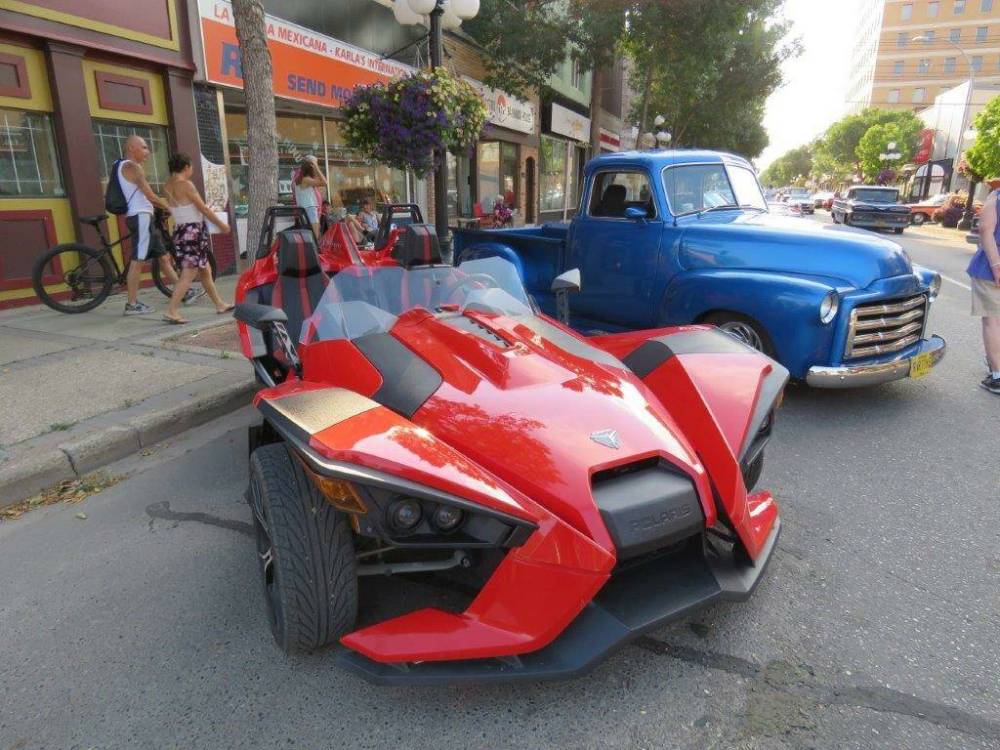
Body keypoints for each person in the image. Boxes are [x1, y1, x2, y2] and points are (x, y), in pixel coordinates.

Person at [161, 153, 233, 324]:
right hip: (192, 231)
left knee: (205, 270)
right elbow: (204, 210)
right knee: (189, 273)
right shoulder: (186, 184)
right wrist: (222, 225)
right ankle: (171, 310)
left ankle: (219, 304)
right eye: (191, 166)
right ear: (186, 167)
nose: (192, 169)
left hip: (180, 230)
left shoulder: (167, 186)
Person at [119, 135, 179, 316]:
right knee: (138, 261)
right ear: (131, 148)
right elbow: (150, 195)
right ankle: (131, 304)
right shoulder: (132, 167)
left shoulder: (123, 166)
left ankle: (183, 291)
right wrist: (171, 208)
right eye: (144, 147)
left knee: (163, 257)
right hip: (141, 217)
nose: (148, 151)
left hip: (144, 218)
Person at [967, 183, 1000, 394]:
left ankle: (998, 375)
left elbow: (986, 230)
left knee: (992, 320)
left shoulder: (996, 197)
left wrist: (996, 266)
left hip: (991, 268)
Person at [293, 156, 327, 238]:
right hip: (310, 209)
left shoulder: (300, 179)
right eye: (316, 165)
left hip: (305, 210)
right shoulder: (306, 180)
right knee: (314, 237)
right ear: (311, 168)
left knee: (309, 237)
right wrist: (316, 167)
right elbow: (324, 182)